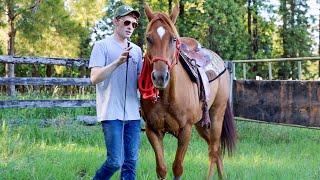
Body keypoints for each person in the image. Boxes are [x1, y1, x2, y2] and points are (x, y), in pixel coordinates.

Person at [89, 4, 142, 180]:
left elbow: (141, 81)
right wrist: (117, 62)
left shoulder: (137, 50)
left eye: (134, 24)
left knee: (131, 162)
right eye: (127, 22)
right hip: (111, 113)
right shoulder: (101, 45)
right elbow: (95, 78)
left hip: (133, 115)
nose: (130, 27)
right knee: (115, 162)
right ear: (116, 21)